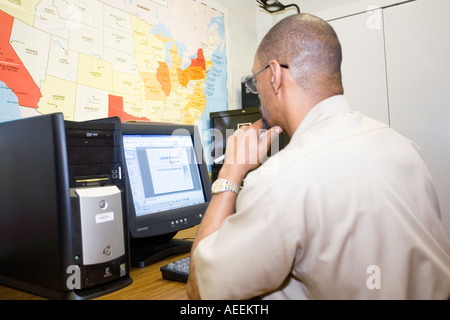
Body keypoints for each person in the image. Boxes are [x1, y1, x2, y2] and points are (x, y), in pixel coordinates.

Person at [186, 13, 450, 300]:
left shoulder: (279, 180)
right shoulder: (403, 146)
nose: (256, 92)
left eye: (255, 80)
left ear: (274, 75)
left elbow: (200, 291)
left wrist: (230, 173)